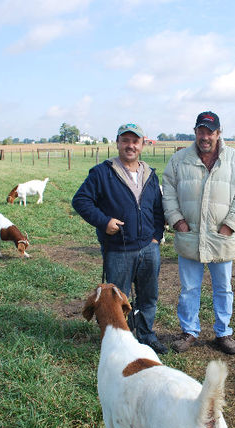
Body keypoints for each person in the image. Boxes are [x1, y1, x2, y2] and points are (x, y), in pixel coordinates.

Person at [162, 111, 235, 355]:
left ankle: (223, 333)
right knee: (189, 288)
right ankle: (189, 331)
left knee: (223, 288)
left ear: (218, 133)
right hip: (189, 234)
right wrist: (176, 220)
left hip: (221, 237)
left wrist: (230, 224)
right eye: (201, 131)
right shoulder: (179, 160)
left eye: (210, 132)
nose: (205, 137)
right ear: (195, 132)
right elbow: (168, 192)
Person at [72, 123, 167, 354]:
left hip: (148, 248)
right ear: (117, 143)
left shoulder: (150, 174)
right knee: (117, 299)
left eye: (135, 141)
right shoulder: (102, 173)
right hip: (118, 249)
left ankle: (146, 336)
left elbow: (157, 209)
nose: (130, 145)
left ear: (142, 145)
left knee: (148, 296)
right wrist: (104, 222)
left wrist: (156, 236)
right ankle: (120, 344)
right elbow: (81, 201)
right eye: (125, 140)